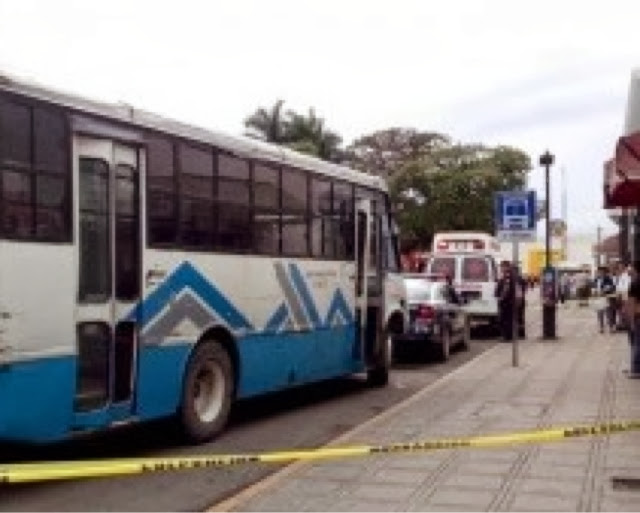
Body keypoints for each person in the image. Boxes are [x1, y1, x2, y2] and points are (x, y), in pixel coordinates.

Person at [624, 261, 640, 378]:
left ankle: (635, 369)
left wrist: (631, 320)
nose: (630, 270)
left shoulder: (635, 283)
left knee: (636, 343)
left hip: (638, 315)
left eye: (631, 268)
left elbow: (631, 303)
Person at [495, 260, 515, 341]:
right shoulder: (508, 275)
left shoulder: (507, 275)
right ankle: (507, 336)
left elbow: (506, 289)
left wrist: (501, 298)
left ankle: (506, 337)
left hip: (506, 302)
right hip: (508, 301)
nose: (501, 268)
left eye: (502, 266)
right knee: (506, 319)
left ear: (506, 267)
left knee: (504, 319)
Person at [594, 266, 616, 334]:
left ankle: (611, 327)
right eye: (598, 272)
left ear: (604, 272)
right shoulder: (596, 279)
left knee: (608, 313)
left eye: (600, 271)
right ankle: (601, 327)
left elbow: (611, 286)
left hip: (606, 297)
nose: (599, 273)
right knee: (600, 313)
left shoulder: (608, 278)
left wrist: (604, 290)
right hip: (598, 297)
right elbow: (594, 286)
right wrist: (594, 291)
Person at [615, 262, 631, 331]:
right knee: (621, 311)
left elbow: (627, 287)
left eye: (621, 267)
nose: (620, 268)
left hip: (625, 295)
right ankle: (623, 324)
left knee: (625, 310)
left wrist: (622, 295)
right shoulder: (620, 276)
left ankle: (627, 324)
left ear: (624, 267)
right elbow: (618, 287)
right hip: (620, 295)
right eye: (619, 267)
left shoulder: (627, 275)